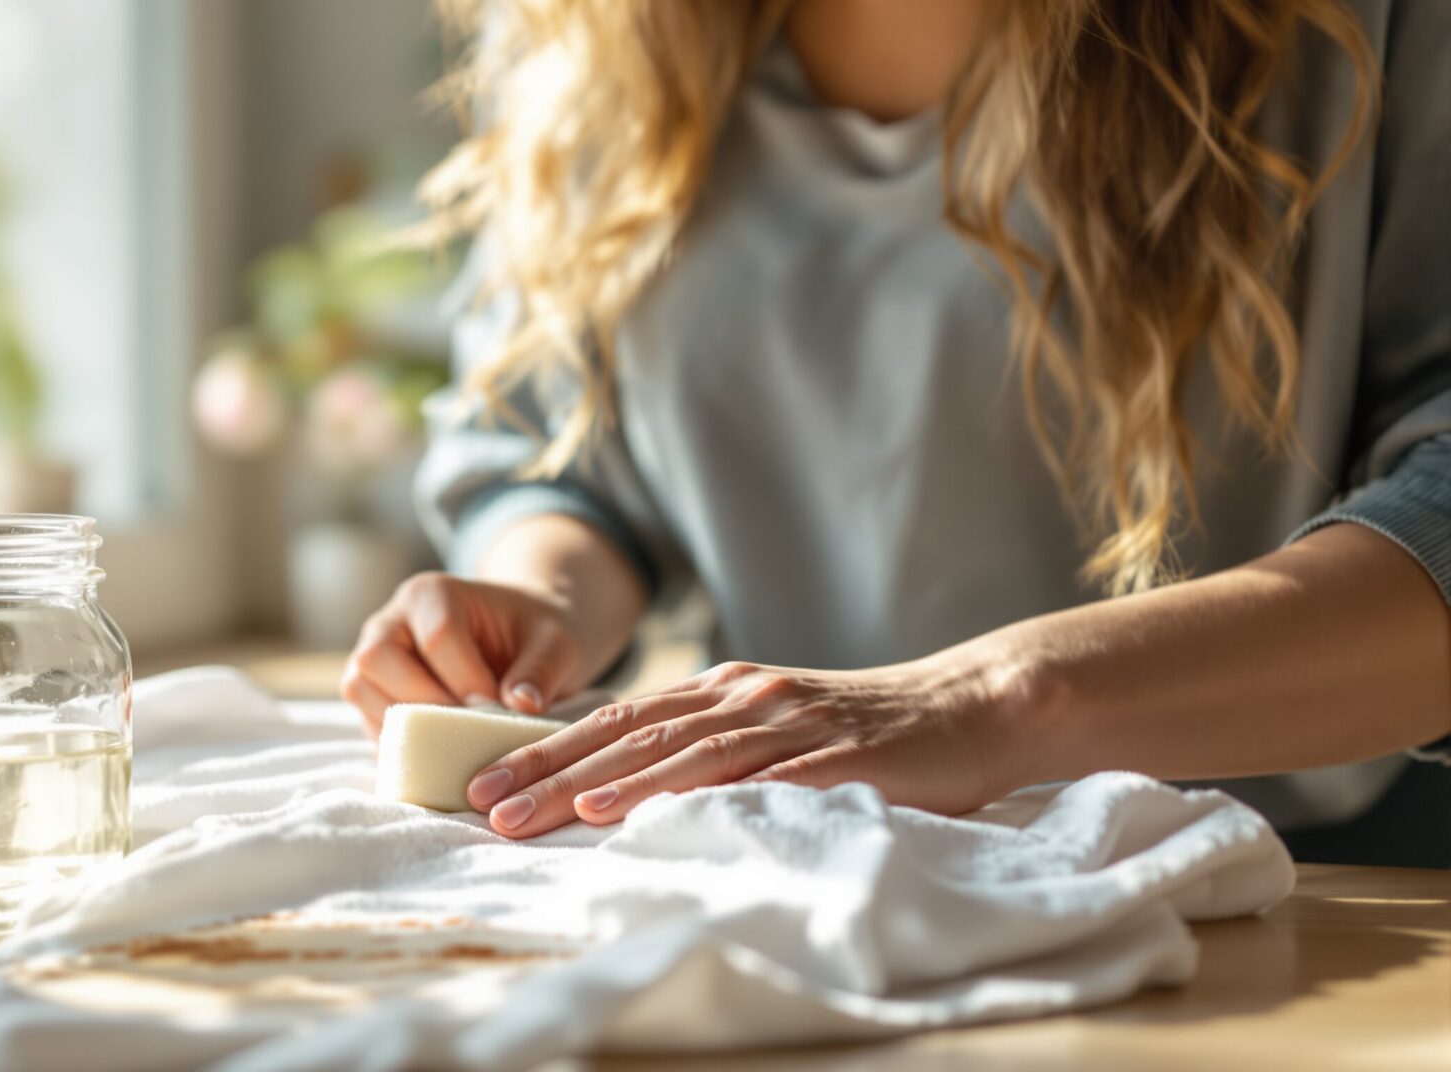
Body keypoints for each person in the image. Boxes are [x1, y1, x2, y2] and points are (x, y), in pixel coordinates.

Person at [340, 0, 1451, 864]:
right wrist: (545, 601)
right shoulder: (590, 38)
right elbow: (559, 449)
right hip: (804, 882)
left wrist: (995, 701)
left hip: (1315, 898)